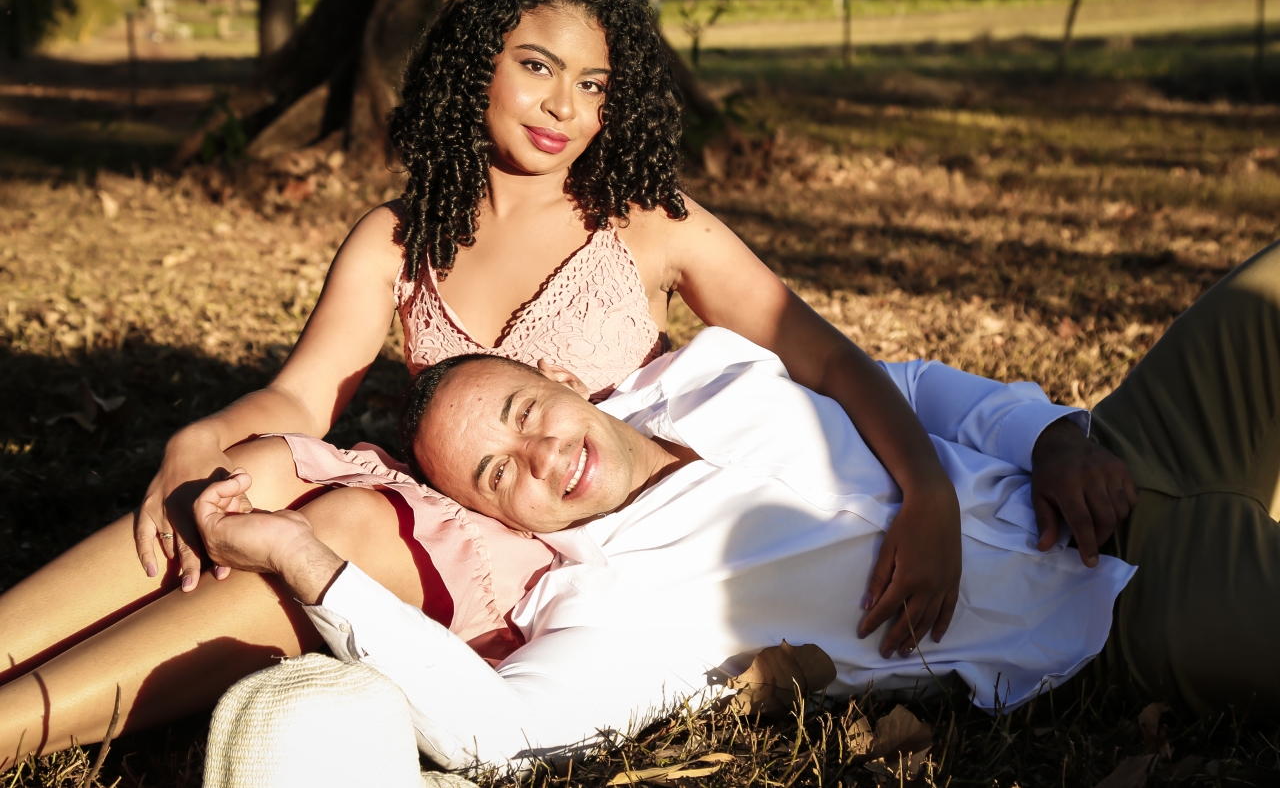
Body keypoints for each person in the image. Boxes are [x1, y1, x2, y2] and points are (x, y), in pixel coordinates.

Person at [0, 0, 1014, 766]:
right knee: (253, 469)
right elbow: (304, 397)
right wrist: (204, 438)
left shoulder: (645, 223)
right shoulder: (398, 237)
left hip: (554, 546)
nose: (563, 105)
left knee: (350, 524)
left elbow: (826, 357)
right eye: (536, 66)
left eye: (591, 83)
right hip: (443, 485)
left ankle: (16, 726)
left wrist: (925, 489)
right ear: (475, 63)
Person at [190, 240, 1280, 774]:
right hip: (1124, 613)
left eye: (525, 413)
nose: (542, 454)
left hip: (1127, 445)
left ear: (562, 381)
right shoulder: (612, 604)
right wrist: (300, 556)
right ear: (499, 521)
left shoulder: (705, 370)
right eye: (497, 474)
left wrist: (1048, 436)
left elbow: (910, 388)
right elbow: (500, 731)